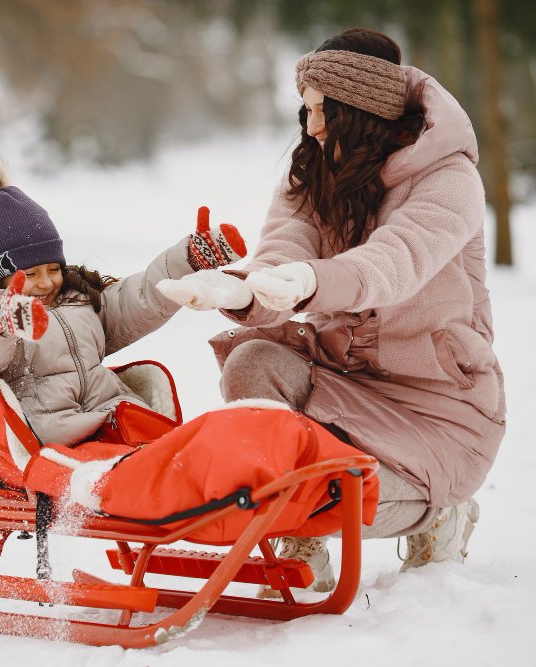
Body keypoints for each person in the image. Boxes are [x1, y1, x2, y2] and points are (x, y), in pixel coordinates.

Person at [158, 28, 505, 590]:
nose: (311, 126)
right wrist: (248, 290)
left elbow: (394, 264)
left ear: (360, 111)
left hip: (436, 409)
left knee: (333, 494)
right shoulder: (311, 171)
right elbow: (284, 249)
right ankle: (300, 540)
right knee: (253, 361)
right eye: (306, 111)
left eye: (323, 112)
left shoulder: (449, 180)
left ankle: (442, 509)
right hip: (343, 384)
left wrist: (308, 281)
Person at [0, 155, 246, 448]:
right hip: (49, 441)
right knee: (137, 473)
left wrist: (189, 259)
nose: (47, 281)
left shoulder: (77, 300)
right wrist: (2, 317)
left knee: (188, 450)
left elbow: (138, 299)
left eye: (53, 268)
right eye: (31, 273)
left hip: (112, 420)